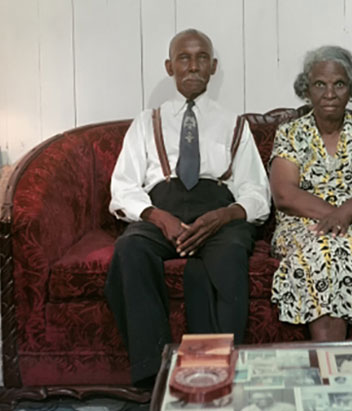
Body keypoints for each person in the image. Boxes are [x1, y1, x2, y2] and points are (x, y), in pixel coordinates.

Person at [104, 29, 271, 387]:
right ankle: (155, 375)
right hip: (162, 210)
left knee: (229, 253)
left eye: (201, 58)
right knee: (130, 249)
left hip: (218, 213)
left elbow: (256, 191)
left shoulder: (234, 124)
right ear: (170, 67)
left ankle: (218, 374)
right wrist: (158, 217)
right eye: (184, 58)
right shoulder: (146, 122)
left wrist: (224, 216)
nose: (193, 66)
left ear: (213, 67)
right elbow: (123, 186)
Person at [269, 45, 352, 342]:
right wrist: (345, 216)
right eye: (320, 84)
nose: (329, 93)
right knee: (324, 250)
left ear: (351, 89)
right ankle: (330, 364)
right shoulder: (290, 133)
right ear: (307, 90)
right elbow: (285, 195)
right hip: (304, 222)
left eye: (339, 84)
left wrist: (346, 216)